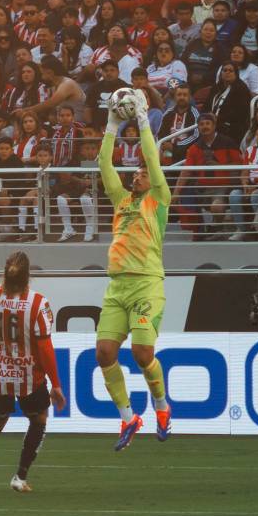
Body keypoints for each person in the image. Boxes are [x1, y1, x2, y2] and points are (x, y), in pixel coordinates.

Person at [97, 88, 173, 448]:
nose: (138, 175)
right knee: (104, 353)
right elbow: (104, 165)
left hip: (146, 284)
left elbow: (153, 160)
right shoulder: (121, 199)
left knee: (143, 354)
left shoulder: (158, 198)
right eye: (138, 173)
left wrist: (142, 119)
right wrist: (111, 124)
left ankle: (161, 405)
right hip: (117, 288)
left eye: (143, 173)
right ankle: (128, 419)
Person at [0, 252, 63, 493]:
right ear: (28, 277)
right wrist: (56, 384)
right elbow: (45, 349)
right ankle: (20, 476)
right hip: (30, 377)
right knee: (38, 420)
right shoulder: (38, 303)